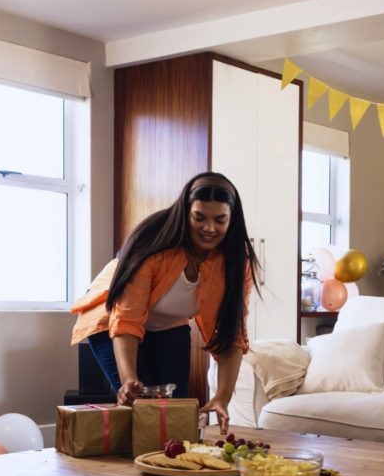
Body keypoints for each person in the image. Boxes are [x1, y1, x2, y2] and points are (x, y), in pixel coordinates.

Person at [70, 172, 258, 433]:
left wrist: (222, 398)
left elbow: (232, 333)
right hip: (111, 320)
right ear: (185, 212)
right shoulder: (153, 243)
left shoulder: (238, 261)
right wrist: (128, 380)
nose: (210, 228)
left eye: (220, 220)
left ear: (232, 219)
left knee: (175, 413)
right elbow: (126, 318)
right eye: (199, 218)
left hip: (169, 325)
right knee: (142, 406)